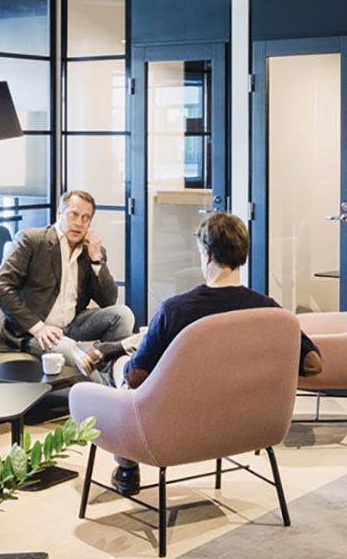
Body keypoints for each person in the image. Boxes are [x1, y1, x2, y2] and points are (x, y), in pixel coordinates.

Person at [105, 211, 323, 496]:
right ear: (243, 254)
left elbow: (137, 378)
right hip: (251, 427)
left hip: (181, 429)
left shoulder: (175, 310)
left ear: (206, 254)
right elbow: (313, 364)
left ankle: (127, 469)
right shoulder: (270, 311)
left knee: (122, 367)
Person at [0, 189, 135, 372]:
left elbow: (108, 301)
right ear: (59, 214)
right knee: (70, 350)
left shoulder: (91, 251)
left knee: (123, 314)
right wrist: (38, 328)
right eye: (73, 214)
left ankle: (109, 373)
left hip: (70, 325)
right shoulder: (32, 240)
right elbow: (0, 288)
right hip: (30, 330)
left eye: (86, 218)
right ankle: (106, 386)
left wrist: (96, 260)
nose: (79, 223)